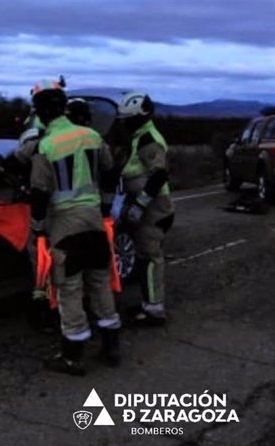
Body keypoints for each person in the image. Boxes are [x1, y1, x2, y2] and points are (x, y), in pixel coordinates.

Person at [29, 78, 121, 375]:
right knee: (99, 282)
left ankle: (72, 356)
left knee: (69, 289)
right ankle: (112, 347)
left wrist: (37, 228)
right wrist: (106, 208)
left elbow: (40, 192)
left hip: (65, 226)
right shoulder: (92, 135)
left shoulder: (45, 145)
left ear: (41, 113)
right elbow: (109, 173)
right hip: (94, 221)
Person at [116, 91, 174, 326]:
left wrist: (139, 204)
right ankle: (148, 304)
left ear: (139, 116)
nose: (125, 124)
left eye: (128, 119)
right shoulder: (139, 136)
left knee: (150, 258)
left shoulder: (148, 138)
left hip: (154, 208)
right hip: (149, 207)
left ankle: (153, 311)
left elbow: (159, 174)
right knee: (143, 256)